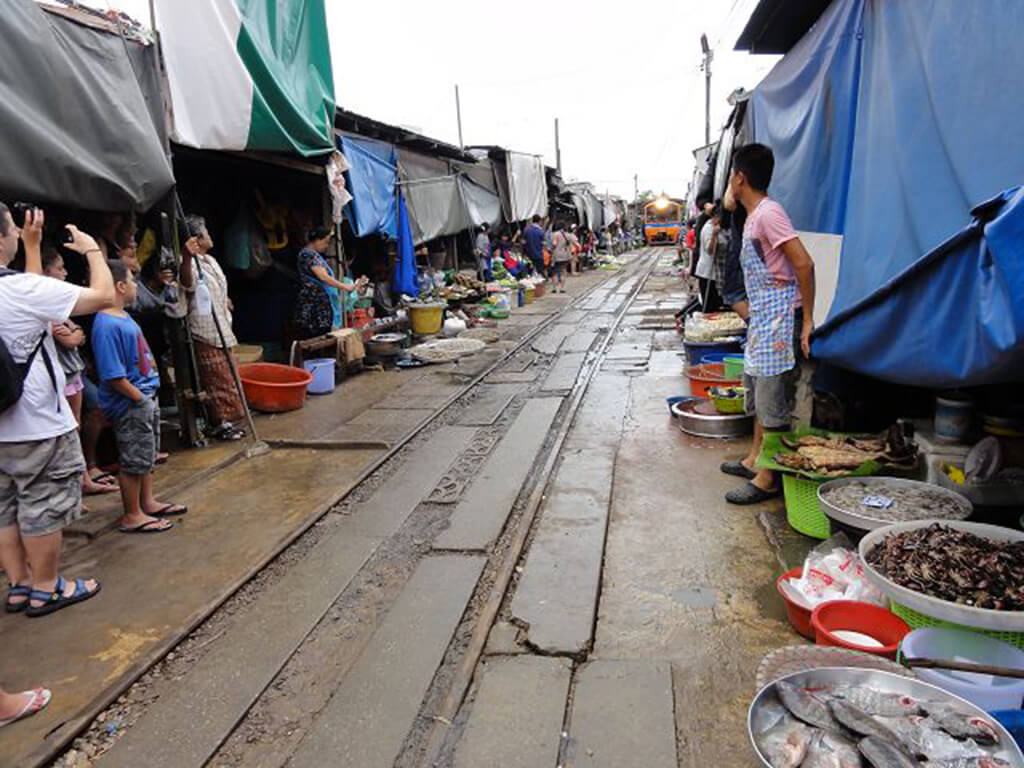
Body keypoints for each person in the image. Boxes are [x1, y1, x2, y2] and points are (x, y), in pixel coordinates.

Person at [0, 204, 109, 617]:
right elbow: (100, 296)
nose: (16, 234)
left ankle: (21, 584)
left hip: (1, 429)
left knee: (5, 507)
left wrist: (30, 247)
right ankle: (47, 586)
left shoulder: (20, 289)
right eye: (11, 229)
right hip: (36, 425)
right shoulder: (20, 291)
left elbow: (31, 305)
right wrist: (94, 251)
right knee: (40, 503)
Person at [720, 144, 815, 505]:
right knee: (759, 394)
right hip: (763, 318)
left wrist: (806, 320)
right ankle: (754, 458)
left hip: (778, 319)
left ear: (740, 178)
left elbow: (804, 264)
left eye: (732, 175)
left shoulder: (769, 214)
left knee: (773, 402)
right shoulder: (753, 215)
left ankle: (768, 478)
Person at [91, 260, 187, 533]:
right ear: (120, 286)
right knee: (133, 459)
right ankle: (132, 514)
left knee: (145, 455)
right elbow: (112, 374)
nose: (136, 286)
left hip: (143, 395)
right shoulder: (106, 324)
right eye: (132, 281)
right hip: (132, 400)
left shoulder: (121, 315)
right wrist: (138, 399)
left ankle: (147, 500)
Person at [181, 215, 246, 441]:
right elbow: (188, 284)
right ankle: (220, 422)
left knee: (229, 377)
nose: (210, 235)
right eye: (206, 232)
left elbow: (217, 286)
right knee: (216, 380)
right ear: (197, 239)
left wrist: (224, 299)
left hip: (222, 325)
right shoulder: (189, 262)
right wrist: (187, 258)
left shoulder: (210, 260)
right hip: (205, 329)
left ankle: (228, 420)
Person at [293, 226, 365, 338]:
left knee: (323, 334)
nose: (326, 246)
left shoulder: (313, 255)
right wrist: (346, 287)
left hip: (320, 301)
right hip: (315, 302)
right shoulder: (307, 255)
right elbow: (323, 277)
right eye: (325, 242)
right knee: (317, 336)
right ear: (317, 240)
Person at [551, 222, 572, 293]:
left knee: (554, 272)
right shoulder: (568, 235)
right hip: (565, 255)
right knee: (563, 271)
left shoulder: (555, 234)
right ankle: (562, 288)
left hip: (556, 255)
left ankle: (555, 288)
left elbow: (554, 244)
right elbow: (569, 245)